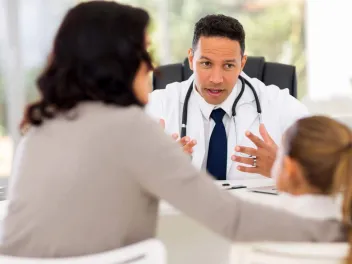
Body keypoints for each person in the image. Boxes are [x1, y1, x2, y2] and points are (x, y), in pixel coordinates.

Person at [0, 1, 345, 258]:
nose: (151, 65)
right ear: (115, 63)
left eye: (228, 65)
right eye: (142, 53)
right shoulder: (133, 127)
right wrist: (336, 233)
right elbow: (232, 218)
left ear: (242, 62)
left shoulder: (44, 125)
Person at [146, 14, 309, 180]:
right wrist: (152, 168)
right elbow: (122, 175)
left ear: (242, 64)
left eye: (228, 65)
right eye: (206, 64)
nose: (216, 79)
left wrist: (283, 170)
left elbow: (330, 166)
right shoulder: (157, 106)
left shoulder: (280, 105)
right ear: (191, 59)